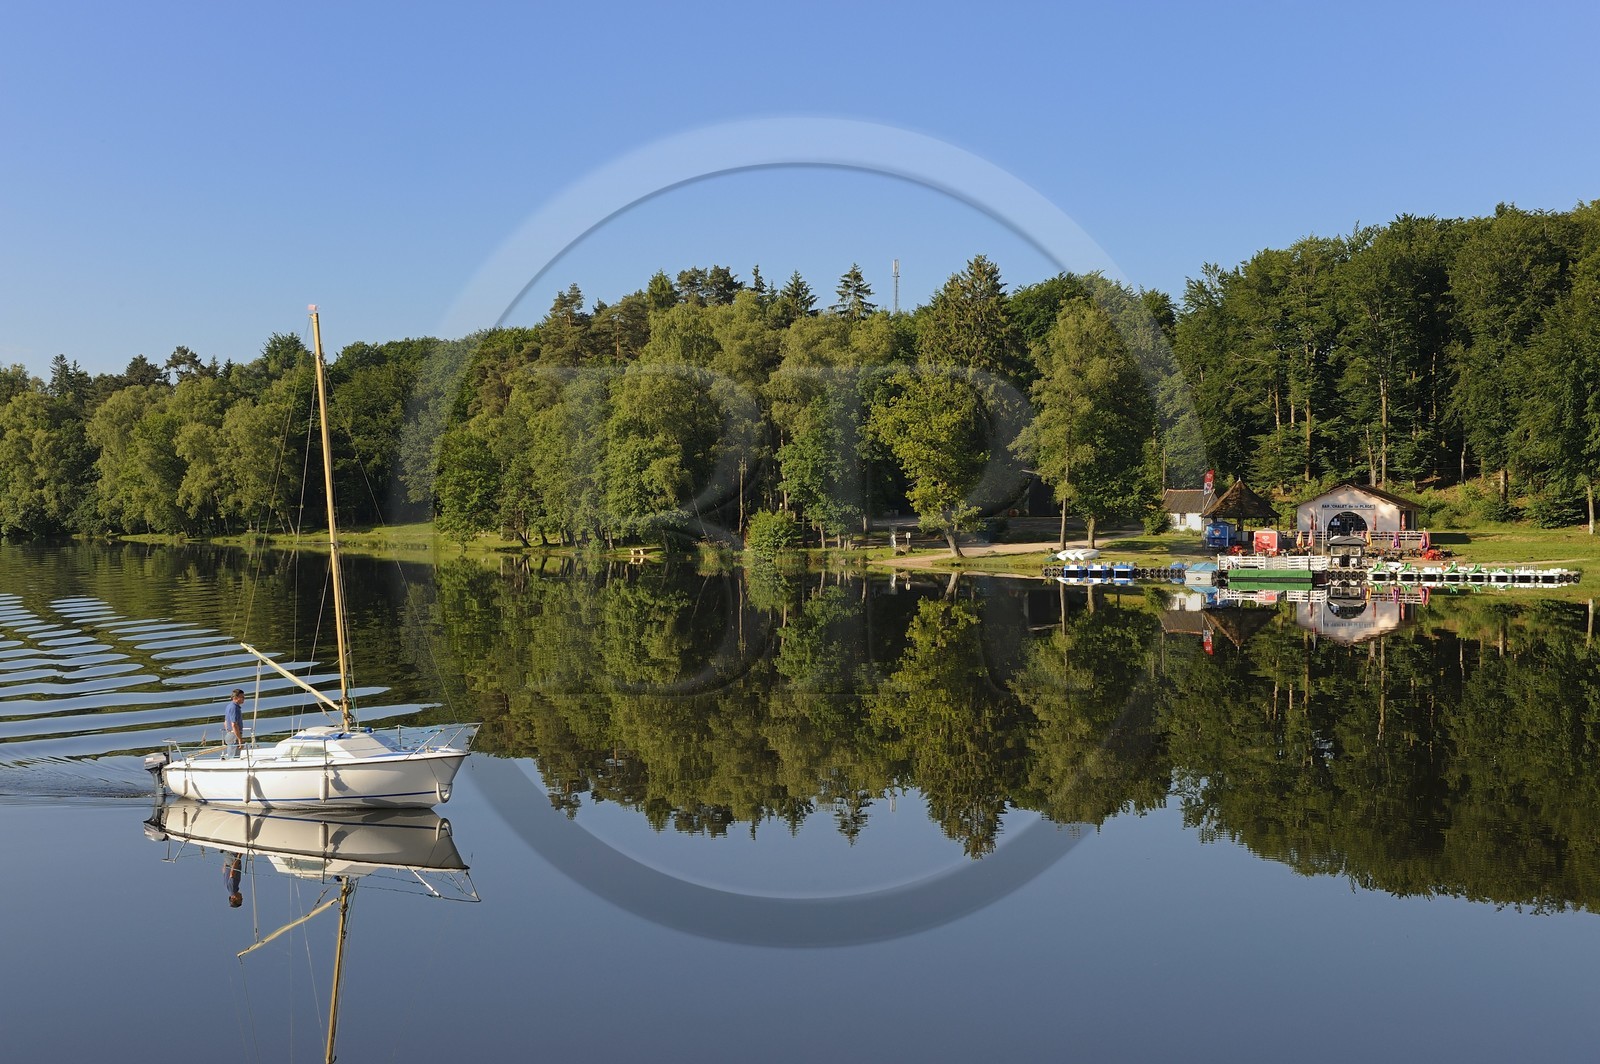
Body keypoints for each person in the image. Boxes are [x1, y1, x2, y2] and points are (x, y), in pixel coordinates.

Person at [223, 688, 245, 757]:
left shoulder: (229, 706)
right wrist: (239, 739)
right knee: (234, 757)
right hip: (234, 736)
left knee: (231, 755)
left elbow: (226, 722)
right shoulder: (234, 708)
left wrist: (229, 732)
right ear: (235, 698)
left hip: (230, 734)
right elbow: (234, 724)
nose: (244, 699)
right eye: (242, 697)